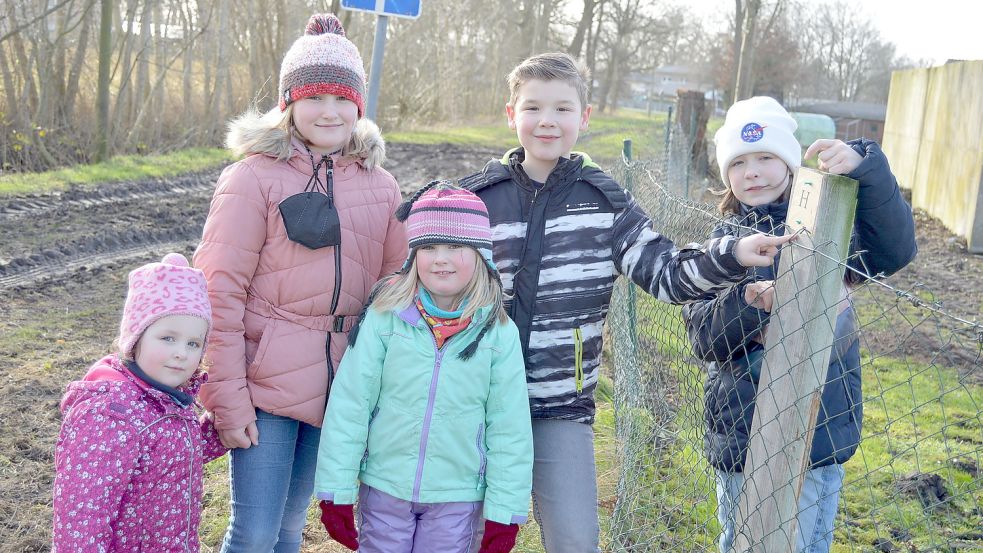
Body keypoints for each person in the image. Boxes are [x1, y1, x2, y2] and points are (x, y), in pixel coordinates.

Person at [458, 53, 794, 552]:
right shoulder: (478, 200)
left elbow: (668, 275)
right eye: (533, 108)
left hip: (560, 406)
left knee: (575, 540)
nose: (547, 121)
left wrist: (732, 254)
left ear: (585, 118)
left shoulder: (605, 202)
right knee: (461, 535)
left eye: (563, 109)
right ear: (512, 114)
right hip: (474, 402)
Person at [192, 13, 407, 552]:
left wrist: (379, 387)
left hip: (341, 383)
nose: (329, 112)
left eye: (343, 99)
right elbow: (218, 292)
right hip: (265, 383)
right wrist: (228, 396)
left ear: (359, 104)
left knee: (291, 528)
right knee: (255, 531)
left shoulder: (381, 187)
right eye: (315, 98)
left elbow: (394, 290)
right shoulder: (253, 177)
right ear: (289, 102)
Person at [682, 96, 917, 553]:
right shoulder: (720, 246)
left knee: (806, 542)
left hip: (818, 429)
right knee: (743, 540)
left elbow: (895, 249)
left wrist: (866, 172)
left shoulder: (829, 229)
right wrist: (749, 303)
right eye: (740, 162)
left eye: (766, 157)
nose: (753, 171)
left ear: (790, 164)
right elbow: (703, 337)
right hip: (743, 437)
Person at [314, 183, 533, 553]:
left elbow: (509, 428)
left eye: (455, 247)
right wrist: (336, 489)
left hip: (457, 494)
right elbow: (351, 404)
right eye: (428, 247)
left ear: (481, 254)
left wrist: (504, 512)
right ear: (413, 255)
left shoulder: (497, 334)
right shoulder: (386, 318)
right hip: (385, 486)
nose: (440, 259)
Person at [52, 253, 226, 552]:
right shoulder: (109, 415)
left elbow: (171, 455)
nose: (181, 353)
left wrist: (221, 429)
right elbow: (83, 517)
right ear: (136, 338)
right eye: (168, 338)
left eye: (193, 343)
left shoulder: (166, 398)